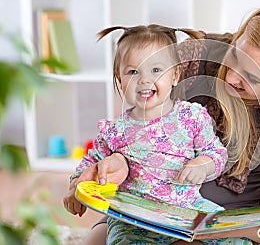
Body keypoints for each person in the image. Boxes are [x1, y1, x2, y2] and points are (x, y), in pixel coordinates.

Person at [67, 0, 260, 244]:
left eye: (253, 79)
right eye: (235, 56)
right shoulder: (193, 57)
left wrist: (212, 229)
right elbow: (135, 123)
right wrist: (114, 166)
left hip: (226, 226)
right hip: (147, 205)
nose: (232, 78)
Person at [63, 24, 229, 244]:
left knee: (231, 234)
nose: (144, 79)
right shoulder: (116, 131)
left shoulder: (192, 116)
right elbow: (89, 165)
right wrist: (75, 188)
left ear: (175, 75)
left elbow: (217, 153)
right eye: (133, 72)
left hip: (185, 211)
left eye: (156, 70)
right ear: (119, 79)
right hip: (133, 219)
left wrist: (203, 164)